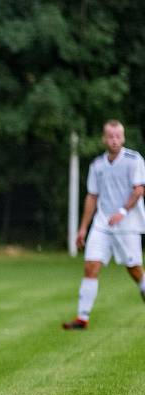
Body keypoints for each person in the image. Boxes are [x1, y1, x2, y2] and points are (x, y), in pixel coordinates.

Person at [63, 119, 145, 330]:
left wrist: (122, 211)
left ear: (123, 137)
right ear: (104, 138)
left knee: (134, 269)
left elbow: (138, 190)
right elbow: (92, 196)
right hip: (102, 225)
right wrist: (83, 228)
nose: (114, 140)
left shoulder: (133, 159)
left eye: (118, 136)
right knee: (91, 266)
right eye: (111, 136)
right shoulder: (97, 165)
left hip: (127, 224)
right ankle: (82, 318)